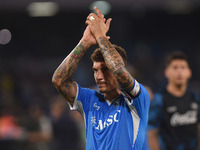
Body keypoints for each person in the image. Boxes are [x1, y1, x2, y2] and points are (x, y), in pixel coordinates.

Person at [52, 6, 150, 150]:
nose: (99, 76)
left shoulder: (137, 100)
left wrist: (100, 37)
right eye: (95, 70)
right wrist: (85, 42)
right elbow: (58, 80)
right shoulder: (89, 99)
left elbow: (119, 72)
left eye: (105, 70)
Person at [148, 51, 200, 150]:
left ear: (189, 72)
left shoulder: (195, 99)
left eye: (183, 67)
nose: (179, 71)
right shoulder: (159, 100)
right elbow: (151, 135)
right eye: (175, 68)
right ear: (167, 72)